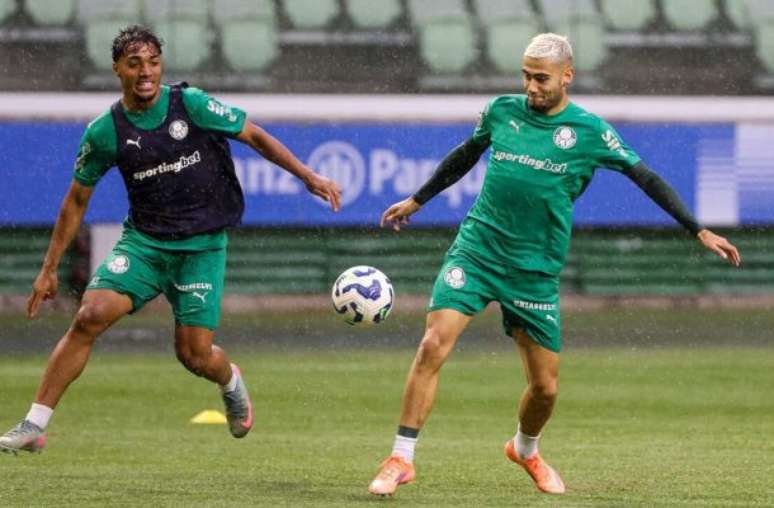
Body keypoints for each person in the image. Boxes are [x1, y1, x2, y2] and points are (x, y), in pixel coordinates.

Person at [369, 33, 741, 496]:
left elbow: (645, 177)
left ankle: (525, 448)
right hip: (477, 251)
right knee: (432, 344)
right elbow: (465, 154)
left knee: (545, 389)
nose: (531, 87)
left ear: (567, 76)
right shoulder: (501, 111)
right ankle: (401, 457)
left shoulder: (590, 132)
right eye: (525, 76)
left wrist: (698, 230)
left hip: (534, 270)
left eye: (541, 78)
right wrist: (418, 199)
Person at [0, 25, 341, 454]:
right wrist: (49, 269)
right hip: (144, 245)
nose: (146, 72)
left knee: (195, 356)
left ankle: (230, 379)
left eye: (153, 62)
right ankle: (35, 425)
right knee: (89, 315)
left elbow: (254, 134)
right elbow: (75, 201)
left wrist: (308, 176)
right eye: (134, 64)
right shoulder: (105, 131)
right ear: (117, 69)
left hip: (201, 248)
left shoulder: (190, 104)